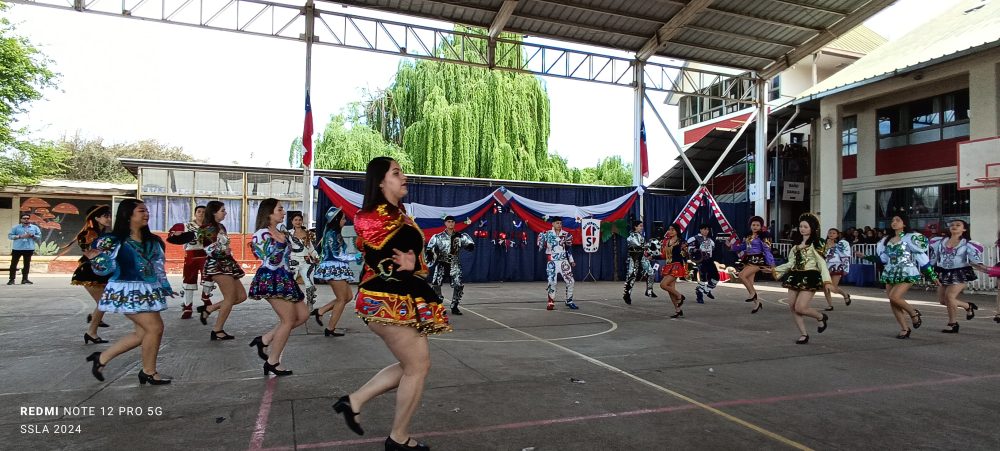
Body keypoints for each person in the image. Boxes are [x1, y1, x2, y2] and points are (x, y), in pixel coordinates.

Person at [332, 157, 451, 451]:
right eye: (396, 173)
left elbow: (407, 257)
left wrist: (411, 264)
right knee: (418, 366)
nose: (404, 177)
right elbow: (377, 249)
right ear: (381, 181)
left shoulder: (399, 215)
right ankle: (398, 438)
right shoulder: (371, 215)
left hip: (397, 295)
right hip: (384, 297)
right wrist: (404, 263)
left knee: (413, 365)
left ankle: (355, 400)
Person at [84, 198, 173, 385]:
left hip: (149, 291)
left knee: (142, 334)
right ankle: (149, 371)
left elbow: (158, 266)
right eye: (141, 211)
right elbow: (104, 270)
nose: (147, 214)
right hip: (125, 291)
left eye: (147, 210)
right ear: (127, 215)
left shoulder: (153, 241)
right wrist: (97, 260)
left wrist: (165, 286)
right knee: (155, 328)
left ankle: (101, 358)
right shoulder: (112, 241)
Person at [247, 198, 308, 376]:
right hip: (271, 278)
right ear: (269, 213)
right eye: (280, 209)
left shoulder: (279, 231)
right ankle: (272, 361)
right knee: (288, 321)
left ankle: (264, 339)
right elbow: (269, 260)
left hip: (285, 277)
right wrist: (281, 243)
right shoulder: (261, 234)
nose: (283, 212)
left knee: (303, 315)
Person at [876, 213, 939, 338]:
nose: (894, 222)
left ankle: (913, 313)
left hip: (907, 271)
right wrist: (865, 257)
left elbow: (922, 258)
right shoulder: (886, 240)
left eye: (898, 220)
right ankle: (904, 328)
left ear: (904, 223)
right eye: (893, 220)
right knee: (893, 301)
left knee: (895, 297)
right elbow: (883, 259)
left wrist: (932, 275)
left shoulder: (910, 237)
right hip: (890, 272)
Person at [773, 213, 831, 344]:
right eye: (800, 226)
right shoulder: (795, 245)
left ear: (812, 228)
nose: (802, 229)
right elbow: (790, 264)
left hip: (810, 276)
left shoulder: (817, 243)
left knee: (801, 307)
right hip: (794, 276)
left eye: (806, 226)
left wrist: (827, 281)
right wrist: (774, 270)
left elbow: (822, 263)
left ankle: (821, 317)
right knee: (792, 306)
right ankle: (804, 334)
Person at [196, 200, 248, 340]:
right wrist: (223, 252)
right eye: (222, 210)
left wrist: (226, 252)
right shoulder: (206, 228)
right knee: (230, 298)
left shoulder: (221, 226)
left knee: (242, 296)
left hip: (228, 264)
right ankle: (217, 330)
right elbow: (206, 248)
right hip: (217, 265)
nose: (225, 213)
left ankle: (209, 309)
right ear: (214, 212)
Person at [928, 220, 988, 333]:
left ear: (964, 229)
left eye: (958, 225)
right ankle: (967, 306)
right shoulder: (939, 242)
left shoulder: (967, 243)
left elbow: (974, 260)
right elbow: (933, 258)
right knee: (942, 300)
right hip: (943, 272)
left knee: (950, 297)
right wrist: (928, 270)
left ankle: (953, 324)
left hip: (960, 272)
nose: (954, 226)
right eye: (952, 225)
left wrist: (984, 268)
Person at [311, 207, 362, 336]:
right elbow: (337, 254)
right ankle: (330, 328)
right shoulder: (333, 234)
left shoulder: (332, 232)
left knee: (348, 297)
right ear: (337, 219)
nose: (345, 221)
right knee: (341, 299)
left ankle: (320, 311)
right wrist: (354, 257)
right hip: (334, 268)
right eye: (343, 218)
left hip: (336, 268)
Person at [68, 205, 114, 343]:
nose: (109, 219)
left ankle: (93, 319)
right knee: (103, 303)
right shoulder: (88, 233)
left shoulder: (104, 233)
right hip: (89, 271)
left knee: (105, 302)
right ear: (96, 218)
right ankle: (91, 332)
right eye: (106, 216)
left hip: (102, 270)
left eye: (109, 216)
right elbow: (89, 254)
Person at [166, 205, 216, 319]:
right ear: (195, 213)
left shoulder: (210, 227)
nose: (201, 214)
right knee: (189, 282)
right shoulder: (186, 226)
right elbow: (172, 235)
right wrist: (176, 234)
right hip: (191, 256)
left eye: (204, 212)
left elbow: (215, 241)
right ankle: (188, 307)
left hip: (206, 255)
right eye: (199, 211)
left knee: (209, 278)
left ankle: (206, 296)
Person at [426, 215, 476, 315]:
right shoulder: (438, 237)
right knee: (436, 284)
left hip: (455, 263)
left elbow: (469, 244)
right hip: (441, 263)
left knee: (458, 285)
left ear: (454, 223)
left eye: (452, 222)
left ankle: (454, 306)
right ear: (445, 223)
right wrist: (430, 253)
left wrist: (470, 246)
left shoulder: (460, 236)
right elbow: (430, 247)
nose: (451, 223)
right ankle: (439, 305)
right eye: (448, 221)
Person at [728, 216, 774, 314]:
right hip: (748, 260)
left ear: (761, 226)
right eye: (753, 225)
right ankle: (757, 303)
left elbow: (767, 250)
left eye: (757, 225)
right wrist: (732, 246)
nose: (755, 227)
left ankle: (753, 294)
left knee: (741, 275)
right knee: (750, 283)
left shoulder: (764, 237)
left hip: (758, 260)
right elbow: (743, 247)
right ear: (750, 226)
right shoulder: (748, 236)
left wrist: (771, 264)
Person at [537, 217, 578, 310]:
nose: (559, 225)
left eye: (560, 223)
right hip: (552, 261)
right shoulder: (546, 234)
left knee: (571, 281)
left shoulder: (566, 234)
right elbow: (540, 247)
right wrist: (541, 239)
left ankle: (569, 301)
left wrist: (571, 260)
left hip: (563, 261)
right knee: (552, 282)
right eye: (557, 223)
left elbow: (568, 249)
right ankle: (550, 302)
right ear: (552, 224)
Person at [286, 211, 319, 305]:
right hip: (293, 261)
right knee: (290, 283)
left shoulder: (308, 233)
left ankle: (310, 304)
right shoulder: (288, 234)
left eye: (300, 220)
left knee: (310, 283)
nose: (298, 222)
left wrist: (316, 257)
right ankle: (291, 304)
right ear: (292, 221)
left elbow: (311, 248)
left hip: (306, 261)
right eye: (295, 220)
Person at [623, 219, 656, 305]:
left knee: (651, 272)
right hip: (634, 257)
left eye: (642, 226)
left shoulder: (641, 236)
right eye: (640, 226)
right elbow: (639, 245)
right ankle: (627, 294)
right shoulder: (631, 237)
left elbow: (643, 247)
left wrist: (649, 253)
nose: (642, 227)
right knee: (632, 276)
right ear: (635, 226)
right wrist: (649, 244)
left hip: (642, 256)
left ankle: (649, 291)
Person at [659, 223, 688, 318]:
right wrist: (652, 256)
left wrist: (685, 250)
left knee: (663, 285)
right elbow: (663, 255)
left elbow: (685, 254)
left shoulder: (681, 241)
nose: (670, 231)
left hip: (676, 266)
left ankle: (680, 296)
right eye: (669, 229)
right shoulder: (666, 241)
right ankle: (678, 310)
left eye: (673, 230)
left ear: (677, 231)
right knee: (670, 290)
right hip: (668, 266)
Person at [821, 228, 853, 311]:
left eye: (834, 233)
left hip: (837, 266)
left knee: (833, 288)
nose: (831, 234)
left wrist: (846, 268)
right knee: (825, 287)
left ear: (837, 235)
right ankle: (830, 305)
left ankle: (845, 295)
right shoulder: (823, 244)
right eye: (830, 233)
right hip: (826, 267)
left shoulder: (841, 244)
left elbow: (845, 256)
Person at [687, 224, 718, 304]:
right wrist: (697, 251)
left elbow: (713, 249)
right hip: (701, 261)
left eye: (707, 230)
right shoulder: (694, 238)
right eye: (704, 229)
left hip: (710, 260)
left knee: (716, 277)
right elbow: (689, 249)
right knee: (703, 278)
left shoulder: (710, 240)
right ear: (700, 230)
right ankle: (699, 294)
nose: (706, 231)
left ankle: (706, 290)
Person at [7, 213, 41, 285]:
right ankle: (12, 279)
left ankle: (25, 279)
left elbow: (39, 237)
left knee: (26, 264)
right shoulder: (16, 227)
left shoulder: (34, 227)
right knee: (13, 264)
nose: (26, 220)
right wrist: (19, 236)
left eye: (27, 218)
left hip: (29, 248)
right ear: (21, 219)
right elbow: (10, 236)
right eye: (24, 218)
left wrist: (32, 235)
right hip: (17, 248)